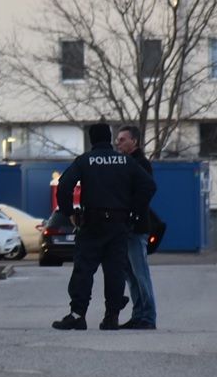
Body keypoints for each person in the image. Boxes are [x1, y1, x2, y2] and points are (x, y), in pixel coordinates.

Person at [52, 122, 156, 331]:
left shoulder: (86, 161)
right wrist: (133, 211)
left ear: (92, 140)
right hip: (118, 225)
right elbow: (148, 186)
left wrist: (69, 213)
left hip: (92, 224)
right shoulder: (125, 161)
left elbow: (64, 186)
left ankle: (78, 315)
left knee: (84, 270)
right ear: (109, 138)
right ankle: (111, 317)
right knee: (114, 271)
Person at [115, 125, 161, 330]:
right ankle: (138, 314)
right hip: (125, 227)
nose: (118, 143)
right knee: (130, 274)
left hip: (136, 227)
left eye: (123, 139)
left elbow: (146, 191)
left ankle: (148, 316)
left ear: (135, 141)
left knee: (140, 272)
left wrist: (133, 213)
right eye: (118, 139)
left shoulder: (141, 164)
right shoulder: (124, 163)